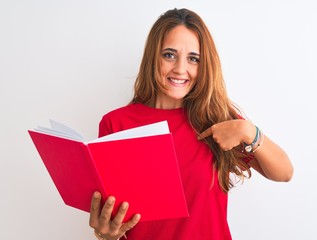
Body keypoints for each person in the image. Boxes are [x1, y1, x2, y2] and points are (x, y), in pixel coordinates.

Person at [89, 8, 293, 240]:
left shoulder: (217, 119)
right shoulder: (116, 124)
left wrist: (248, 130)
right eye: (169, 55)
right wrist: (106, 235)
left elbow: (284, 172)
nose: (180, 68)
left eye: (193, 59)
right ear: (152, 58)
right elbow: (114, 217)